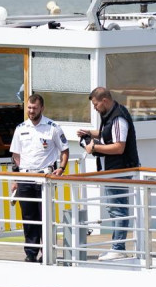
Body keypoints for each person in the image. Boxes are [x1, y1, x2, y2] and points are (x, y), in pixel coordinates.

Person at [79, 86, 141, 261]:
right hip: (111, 170)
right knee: (114, 209)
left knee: (118, 209)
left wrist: (94, 147)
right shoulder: (110, 115)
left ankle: (118, 248)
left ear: (104, 101)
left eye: (96, 104)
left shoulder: (118, 117)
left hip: (119, 170)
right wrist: (90, 133)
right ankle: (117, 246)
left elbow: (119, 147)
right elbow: (108, 135)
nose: (95, 108)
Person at [9, 93, 69, 263]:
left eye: (34, 108)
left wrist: (61, 169)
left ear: (42, 108)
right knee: (28, 217)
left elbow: (65, 150)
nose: (31, 111)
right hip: (25, 177)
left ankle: (47, 251)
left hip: (45, 178)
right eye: (29, 107)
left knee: (45, 216)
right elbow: (15, 155)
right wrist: (15, 178)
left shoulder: (53, 127)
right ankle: (31, 252)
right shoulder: (20, 128)